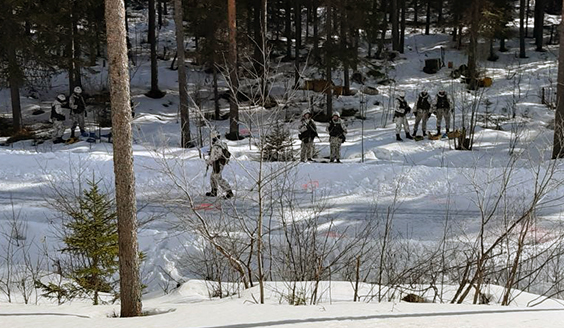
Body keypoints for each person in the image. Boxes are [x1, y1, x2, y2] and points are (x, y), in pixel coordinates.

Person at [205, 132, 234, 199]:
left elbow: (213, 157)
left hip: (217, 164)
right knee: (213, 176)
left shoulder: (216, 146)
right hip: (221, 163)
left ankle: (229, 192)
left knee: (217, 177)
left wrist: (208, 162)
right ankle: (214, 191)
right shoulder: (223, 144)